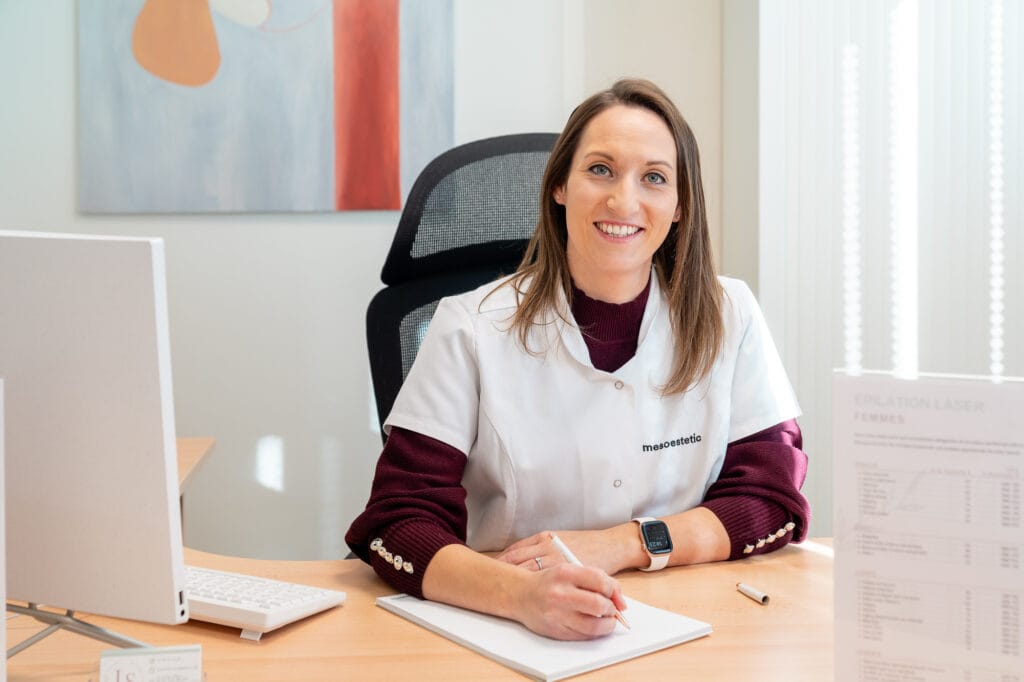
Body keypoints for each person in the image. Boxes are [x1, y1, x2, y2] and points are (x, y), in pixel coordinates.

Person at [346, 78, 809, 641]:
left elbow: (771, 498)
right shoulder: (470, 326)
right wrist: (521, 596)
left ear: (681, 205)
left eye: (655, 178)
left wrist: (623, 544)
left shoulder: (729, 313)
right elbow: (398, 521)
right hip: (503, 626)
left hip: (686, 620)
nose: (624, 201)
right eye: (600, 169)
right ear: (560, 183)